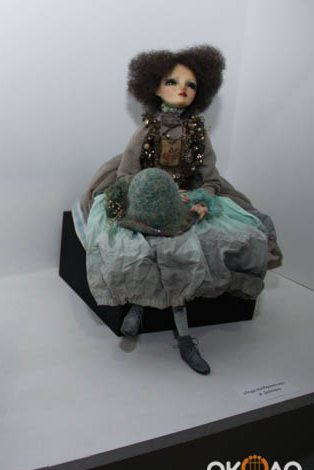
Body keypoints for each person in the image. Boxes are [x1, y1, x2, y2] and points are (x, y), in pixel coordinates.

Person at [80, 45, 278, 375]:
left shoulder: (197, 132)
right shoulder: (147, 129)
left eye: (191, 84)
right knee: (144, 247)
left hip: (187, 199)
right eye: (172, 82)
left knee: (186, 253)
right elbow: (127, 172)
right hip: (147, 196)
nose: (182, 89)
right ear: (154, 87)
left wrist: (201, 197)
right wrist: (147, 193)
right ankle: (140, 306)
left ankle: (177, 332)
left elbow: (210, 177)